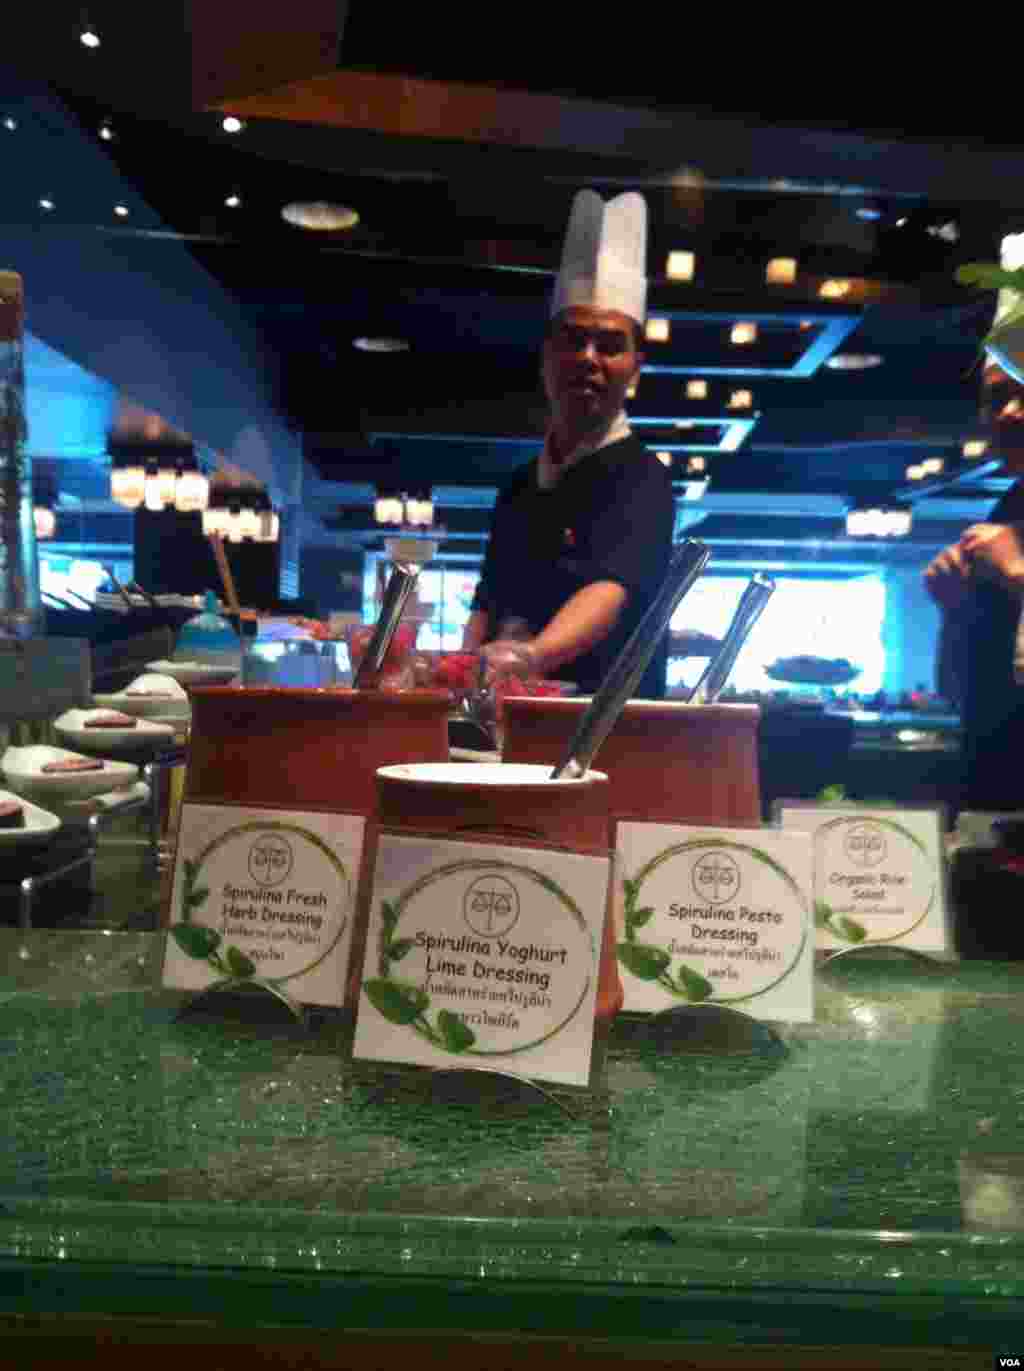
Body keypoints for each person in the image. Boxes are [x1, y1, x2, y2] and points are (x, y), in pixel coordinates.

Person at [462, 190, 677, 699]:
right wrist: (461, 670)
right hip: (507, 717)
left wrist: (531, 656)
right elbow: (487, 603)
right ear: (546, 356)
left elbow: (610, 589)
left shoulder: (644, 480)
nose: (588, 357)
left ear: (635, 366)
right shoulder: (518, 486)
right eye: (574, 339)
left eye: (609, 345)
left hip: (602, 733)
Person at [925, 469, 1024, 812]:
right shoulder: (1012, 500)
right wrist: (954, 608)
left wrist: (1015, 574)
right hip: (989, 784)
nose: (1008, 412)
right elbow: (955, 691)